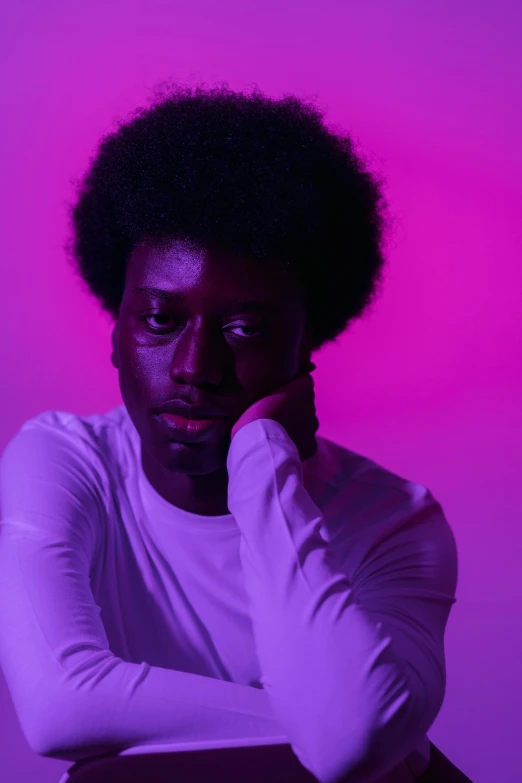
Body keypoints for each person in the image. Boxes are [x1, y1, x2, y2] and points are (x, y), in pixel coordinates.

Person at [0, 83, 460, 783]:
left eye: (244, 329)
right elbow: (59, 706)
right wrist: (395, 743)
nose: (195, 367)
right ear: (117, 332)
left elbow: (350, 739)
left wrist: (261, 462)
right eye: (160, 318)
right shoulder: (64, 461)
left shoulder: (395, 522)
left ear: (306, 344)